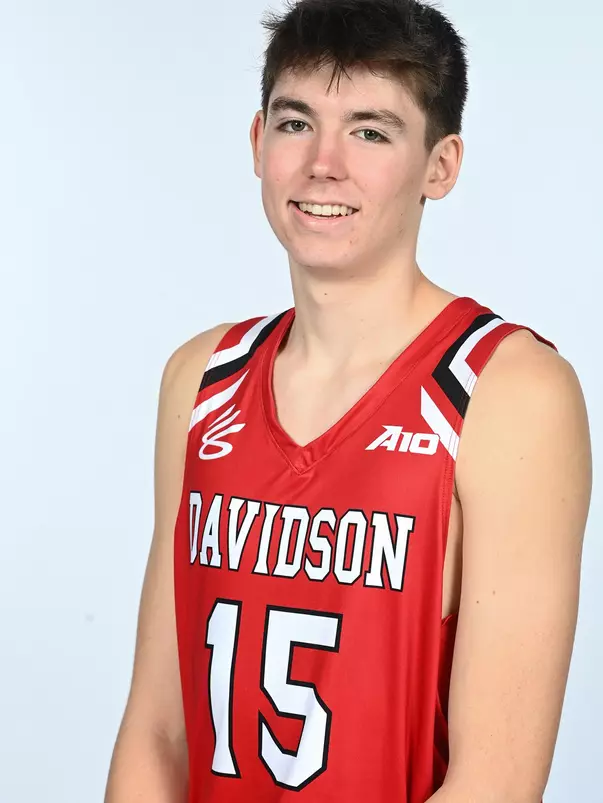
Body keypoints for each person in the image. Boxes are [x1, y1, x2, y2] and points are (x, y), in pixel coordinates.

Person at [104, 1, 592, 801]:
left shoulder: (508, 392)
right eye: (297, 124)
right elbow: (158, 729)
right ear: (259, 144)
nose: (323, 164)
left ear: (440, 164)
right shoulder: (201, 377)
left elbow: (495, 781)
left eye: (370, 131)